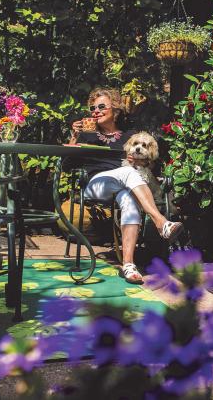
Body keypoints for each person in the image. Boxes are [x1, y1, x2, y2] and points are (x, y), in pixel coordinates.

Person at [69, 87, 183, 284]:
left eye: (101, 106)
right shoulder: (86, 135)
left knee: (130, 200)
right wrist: (73, 136)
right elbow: (68, 164)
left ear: (115, 109)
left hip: (124, 185)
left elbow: (148, 163)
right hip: (96, 184)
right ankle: (160, 222)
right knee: (129, 172)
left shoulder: (129, 137)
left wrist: (138, 161)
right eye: (92, 108)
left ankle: (128, 265)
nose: (96, 111)